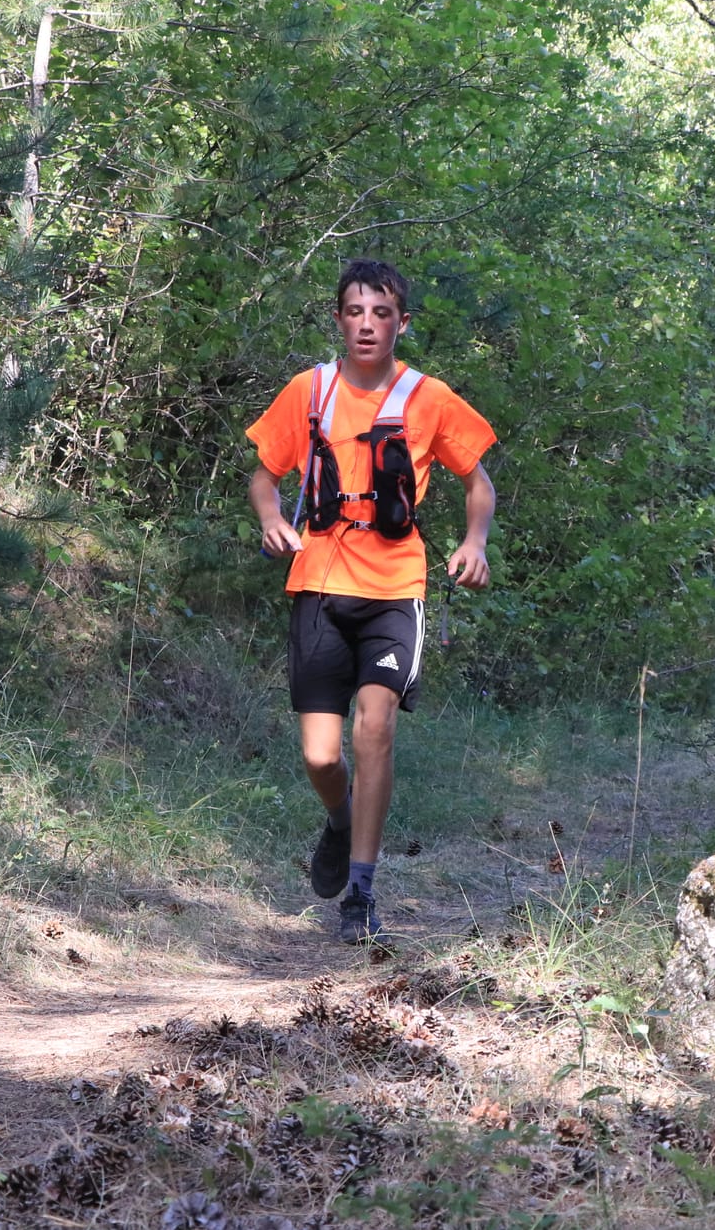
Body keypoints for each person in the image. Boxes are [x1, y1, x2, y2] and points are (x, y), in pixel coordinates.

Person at [245, 259, 497, 944]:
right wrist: (271, 518)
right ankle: (339, 818)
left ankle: (360, 888)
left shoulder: (428, 397)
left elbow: (480, 481)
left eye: (381, 313)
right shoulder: (309, 391)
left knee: (375, 727)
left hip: (394, 586)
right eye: (355, 311)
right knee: (323, 757)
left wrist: (475, 541)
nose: (367, 324)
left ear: (401, 323)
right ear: (338, 319)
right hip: (320, 580)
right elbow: (264, 476)